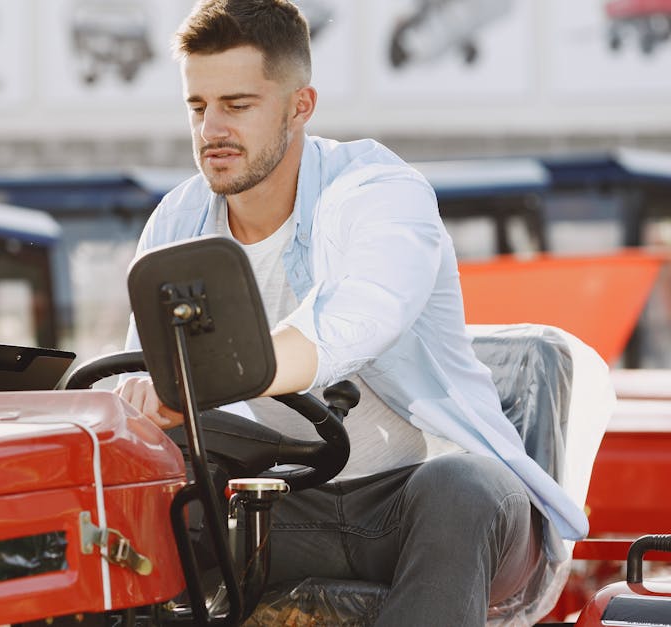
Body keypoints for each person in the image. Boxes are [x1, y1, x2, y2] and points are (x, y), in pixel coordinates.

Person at [114, 1, 586, 624]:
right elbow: (138, 380)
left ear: (300, 105)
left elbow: (354, 318)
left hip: (423, 498)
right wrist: (144, 399)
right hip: (280, 507)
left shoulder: (378, 192)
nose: (211, 131)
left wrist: (205, 378)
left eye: (238, 105)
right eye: (198, 108)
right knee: (144, 503)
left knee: (462, 488)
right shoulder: (176, 223)